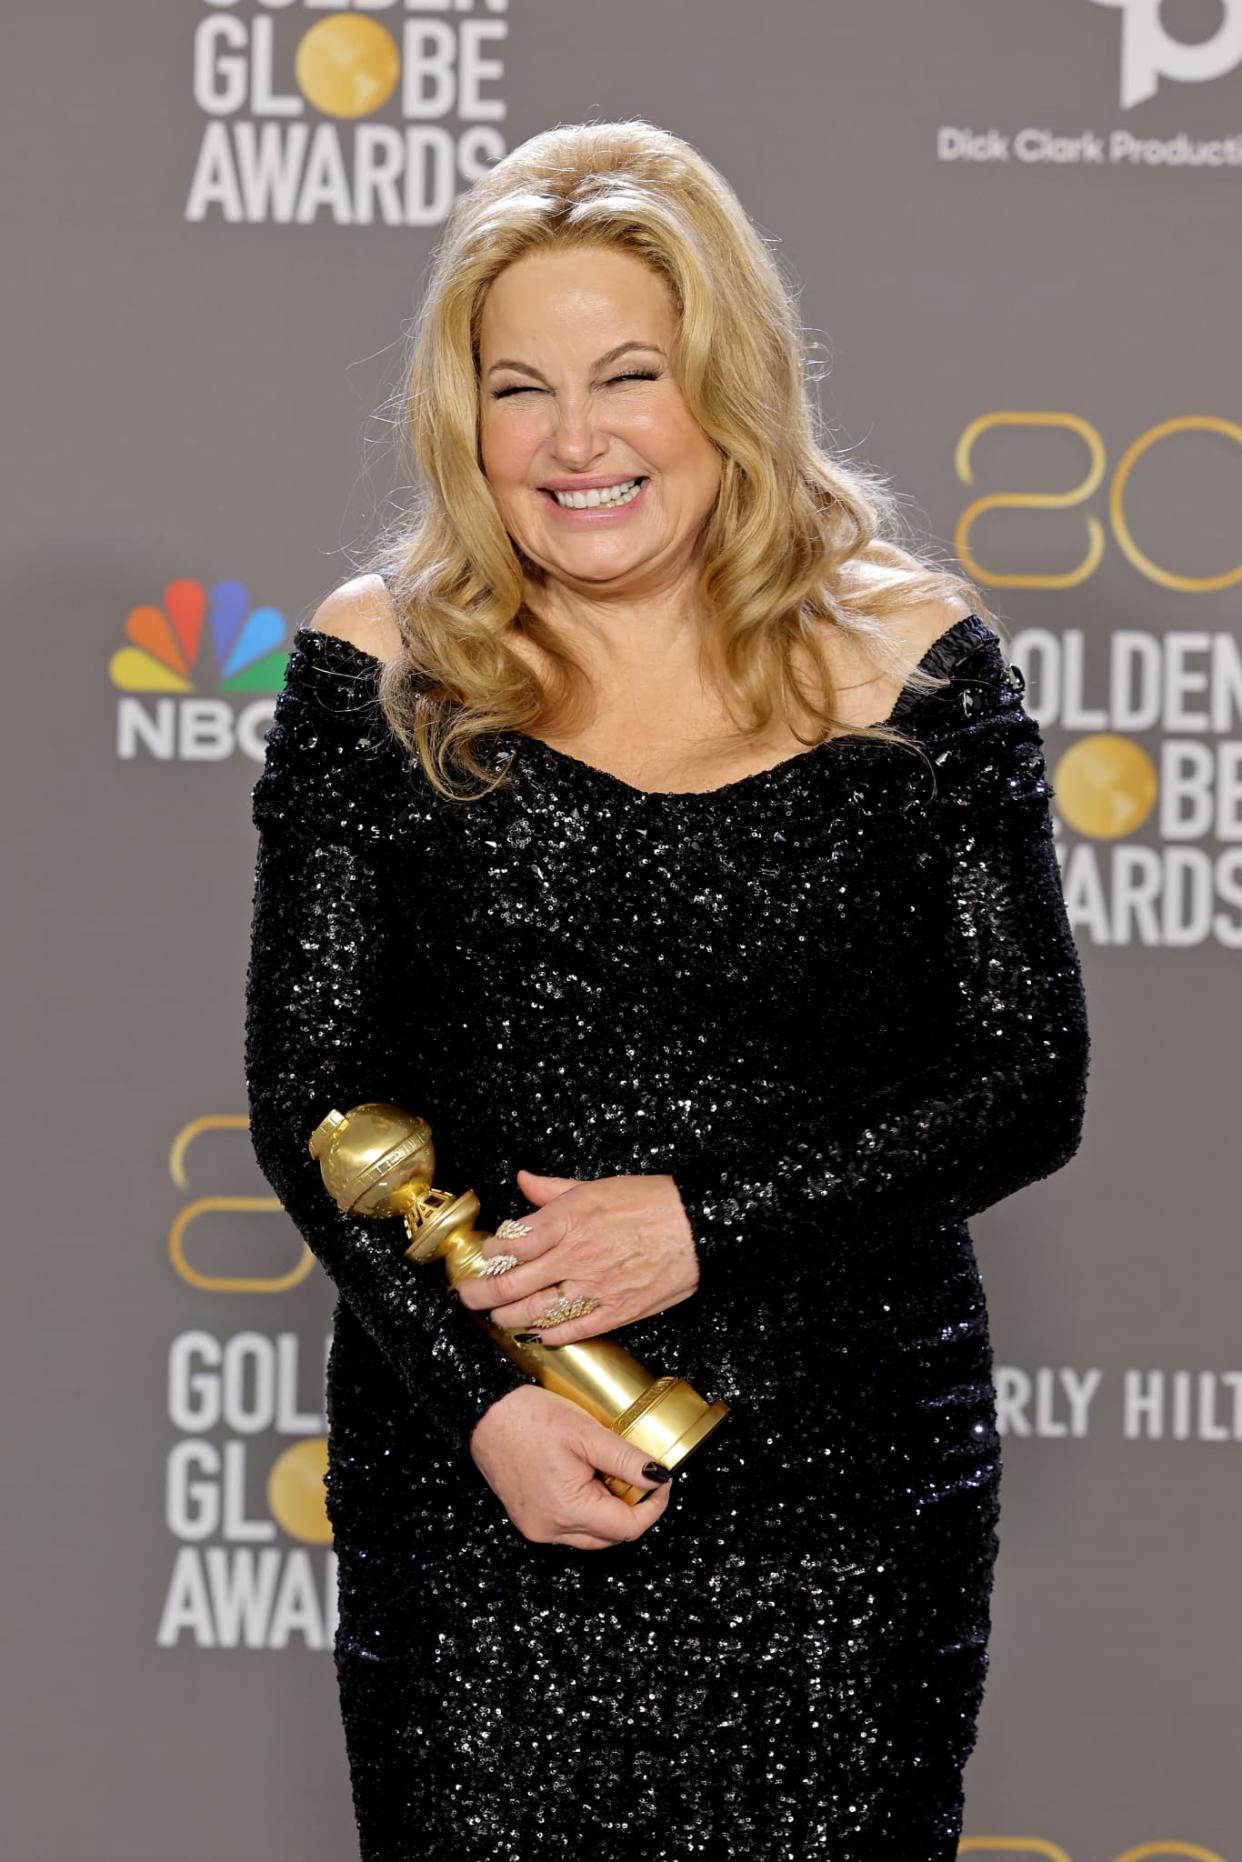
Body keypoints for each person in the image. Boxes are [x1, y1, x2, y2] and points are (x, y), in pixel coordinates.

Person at [244, 120, 1090, 1860]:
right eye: (518, 387)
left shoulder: (906, 662)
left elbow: (1027, 1073)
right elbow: (311, 1090)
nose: (573, 440)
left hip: (844, 1489)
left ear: (724, 385)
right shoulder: (381, 667)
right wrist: (484, 1409)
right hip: (485, 1473)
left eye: (628, 374)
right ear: (461, 416)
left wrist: (706, 1221)